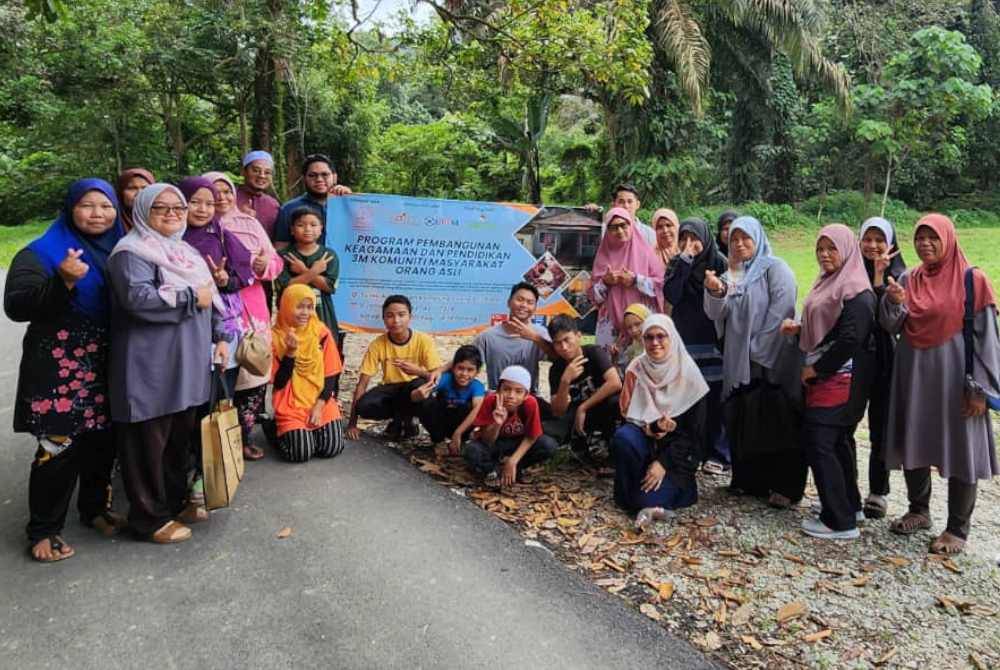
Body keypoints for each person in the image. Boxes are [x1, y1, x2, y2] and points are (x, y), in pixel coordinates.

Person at [4, 178, 126, 562]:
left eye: (105, 206)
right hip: (60, 369)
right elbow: (17, 306)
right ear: (71, 208)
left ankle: (94, 509)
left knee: (103, 443)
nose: (98, 214)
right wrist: (63, 282)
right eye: (88, 205)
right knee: (58, 447)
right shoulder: (42, 252)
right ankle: (44, 528)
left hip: (110, 362)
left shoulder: (121, 250)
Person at [107, 183, 228, 544]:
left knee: (178, 439)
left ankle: (174, 504)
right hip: (150, 366)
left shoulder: (183, 251)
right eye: (162, 208)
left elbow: (213, 296)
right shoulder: (131, 252)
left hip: (188, 362)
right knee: (147, 443)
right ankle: (148, 519)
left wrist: (220, 335)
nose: (173, 214)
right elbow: (137, 299)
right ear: (144, 211)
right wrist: (193, 296)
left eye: (179, 208)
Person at [881, 214, 999, 555]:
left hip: (955, 382)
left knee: (961, 448)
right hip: (915, 376)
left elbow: (988, 341)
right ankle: (919, 510)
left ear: (948, 239)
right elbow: (891, 325)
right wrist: (893, 301)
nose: (925, 244)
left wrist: (980, 390)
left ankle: (958, 528)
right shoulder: (908, 278)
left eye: (933, 237)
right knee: (914, 438)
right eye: (920, 238)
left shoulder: (972, 280)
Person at [704, 216, 807, 509]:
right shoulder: (732, 273)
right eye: (734, 239)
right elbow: (715, 313)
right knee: (744, 418)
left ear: (758, 238)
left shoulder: (776, 269)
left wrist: (757, 351)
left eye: (745, 238)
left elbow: (782, 309)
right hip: (739, 361)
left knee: (776, 420)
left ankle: (784, 486)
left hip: (770, 360)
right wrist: (714, 289)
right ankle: (750, 480)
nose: (738, 244)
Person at [781, 224, 876, 540]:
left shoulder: (857, 292)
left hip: (841, 380)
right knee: (836, 442)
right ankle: (850, 505)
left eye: (832, 248)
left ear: (847, 249)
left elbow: (850, 339)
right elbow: (829, 325)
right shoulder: (831, 281)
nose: (824, 254)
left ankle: (839, 521)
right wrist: (801, 330)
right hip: (831, 377)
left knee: (820, 441)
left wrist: (817, 369)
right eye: (820, 248)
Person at [179, 177, 259, 466]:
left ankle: (211, 464)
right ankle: (185, 458)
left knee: (219, 391)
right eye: (195, 202)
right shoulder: (167, 238)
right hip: (183, 325)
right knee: (188, 394)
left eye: (209, 203)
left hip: (223, 324)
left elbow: (245, 275)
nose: (202, 209)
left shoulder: (222, 235)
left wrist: (225, 281)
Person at [203, 171, 284, 453]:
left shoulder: (249, 223)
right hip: (216, 313)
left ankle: (245, 436)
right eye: (214, 191)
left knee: (255, 372)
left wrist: (264, 266)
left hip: (253, 310)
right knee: (223, 375)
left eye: (226, 191)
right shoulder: (196, 228)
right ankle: (220, 442)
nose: (222, 197)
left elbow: (274, 262)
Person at [611, 315, 709, 528]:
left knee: (642, 501)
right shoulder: (638, 368)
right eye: (649, 337)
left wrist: (663, 463)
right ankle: (636, 492)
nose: (655, 343)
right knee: (624, 437)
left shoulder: (690, 376)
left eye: (661, 336)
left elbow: (696, 434)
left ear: (672, 338)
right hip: (647, 444)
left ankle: (659, 493)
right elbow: (631, 417)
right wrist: (655, 427)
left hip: (677, 457)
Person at [663, 217, 729, 474]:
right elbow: (671, 294)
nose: (690, 243)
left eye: (695, 238)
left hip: (711, 340)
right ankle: (691, 449)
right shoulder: (677, 263)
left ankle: (717, 454)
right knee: (687, 397)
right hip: (684, 339)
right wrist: (685, 260)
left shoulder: (719, 263)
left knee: (713, 398)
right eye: (684, 238)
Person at [858, 216, 906, 519]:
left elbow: (886, 321)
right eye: (868, 239)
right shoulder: (848, 271)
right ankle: (844, 488)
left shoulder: (901, 277)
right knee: (842, 424)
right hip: (854, 357)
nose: (873, 246)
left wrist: (879, 280)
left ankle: (878, 490)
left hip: (887, 360)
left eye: (880, 240)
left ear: (891, 244)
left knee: (880, 426)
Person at [346, 295, 445, 440]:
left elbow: (436, 376)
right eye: (390, 316)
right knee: (365, 405)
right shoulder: (378, 344)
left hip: (415, 389)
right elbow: (362, 384)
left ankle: (412, 424)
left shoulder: (423, 341)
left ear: (410, 317)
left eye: (401, 315)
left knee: (420, 387)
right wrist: (352, 424)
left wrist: (417, 371)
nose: (396, 321)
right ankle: (401, 421)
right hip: (391, 389)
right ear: (384, 319)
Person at [271, 284, 345, 462]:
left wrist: (319, 406)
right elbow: (278, 383)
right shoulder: (275, 337)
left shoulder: (321, 333)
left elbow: (331, 374)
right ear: (287, 306)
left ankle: (305, 434)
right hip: (290, 402)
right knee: (300, 454)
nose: (305, 312)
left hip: (319, 400)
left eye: (309, 307)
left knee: (331, 448)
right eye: (299, 306)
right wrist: (290, 354)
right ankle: (273, 429)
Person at [463, 365, 558, 488]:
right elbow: (487, 440)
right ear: (498, 390)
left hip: (517, 442)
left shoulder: (530, 403)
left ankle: (517, 467)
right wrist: (497, 424)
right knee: (472, 450)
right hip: (495, 444)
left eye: (518, 391)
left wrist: (513, 461)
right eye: (506, 389)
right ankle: (492, 470)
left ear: (526, 395)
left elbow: (532, 436)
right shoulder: (490, 401)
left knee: (548, 444)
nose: (511, 395)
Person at [544, 315, 622, 458]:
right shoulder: (556, 368)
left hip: (599, 407)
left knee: (615, 401)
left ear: (578, 336)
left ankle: (611, 443)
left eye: (567, 340)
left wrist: (583, 407)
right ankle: (579, 444)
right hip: (575, 416)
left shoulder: (593, 352)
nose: (564, 347)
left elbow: (615, 382)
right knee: (551, 429)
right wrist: (565, 381)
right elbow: (558, 410)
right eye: (557, 343)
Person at [589, 207, 665, 349]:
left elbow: (661, 286)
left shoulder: (646, 253)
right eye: (613, 227)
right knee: (611, 366)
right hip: (610, 326)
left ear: (631, 225)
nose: (619, 231)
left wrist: (636, 280)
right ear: (608, 230)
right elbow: (593, 298)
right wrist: (605, 282)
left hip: (642, 323)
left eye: (623, 225)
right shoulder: (602, 257)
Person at [275, 209, 340, 347]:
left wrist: (303, 271)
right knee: (290, 350)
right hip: (291, 317)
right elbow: (287, 286)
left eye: (313, 225)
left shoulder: (329, 255)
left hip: (322, 312)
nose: (307, 229)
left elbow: (329, 286)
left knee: (323, 349)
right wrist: (314, 271)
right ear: (292, 230)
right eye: (301, 225)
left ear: (321, 228)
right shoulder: (283, 256)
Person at [473, 282, 554, 392]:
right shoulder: (487, 336)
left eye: (530, 302)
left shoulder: (541, 333)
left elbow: (558, 357)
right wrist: (441, 370)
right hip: (497, 398)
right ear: (509, 302)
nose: (524, 305)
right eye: (520, 299)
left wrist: (534, 337)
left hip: (529, 398)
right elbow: (465, 359)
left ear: (535, 308)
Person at [413, 345, 487, 453]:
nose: (464, 374)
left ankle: (460, 441)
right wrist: (418, 394)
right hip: (441, 422)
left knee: (476, 407)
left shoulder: (477, 386)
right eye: (460, 368)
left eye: (470, 370)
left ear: (477, 372)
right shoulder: (446, 379)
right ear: (453, 368)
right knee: (425, 399)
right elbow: (418, 396)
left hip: (460, 426)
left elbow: (477, 409)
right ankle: (438, 441)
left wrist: (458, 433)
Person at [274, 154, 353, 250]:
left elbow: (369, 234)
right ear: (304, 179)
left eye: (325, 175)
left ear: (334, 177)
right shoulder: (289, 209)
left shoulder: (348, 206)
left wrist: (353, 201)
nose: (319, 179)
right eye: (312, 175)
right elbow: (281, 247)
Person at [588, 184, 657, 246]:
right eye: (621, 202)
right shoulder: (603, 230)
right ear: (613, 205)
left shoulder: (649, 234)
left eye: (630, 202)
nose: (626, 206)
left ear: (637, 204)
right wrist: (589, 216)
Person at [236, 150, 281, 240]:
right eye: (256, 170)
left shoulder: (273, 204)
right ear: (243, 172)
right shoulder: (229, 198)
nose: (262, 176)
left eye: (267, 172)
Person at [613, 303, 650, 378]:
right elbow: (623, 378)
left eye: (638, 324)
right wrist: (614, 359)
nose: (634, 330)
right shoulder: (632, 350)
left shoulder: (662, 346)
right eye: (629, 327)